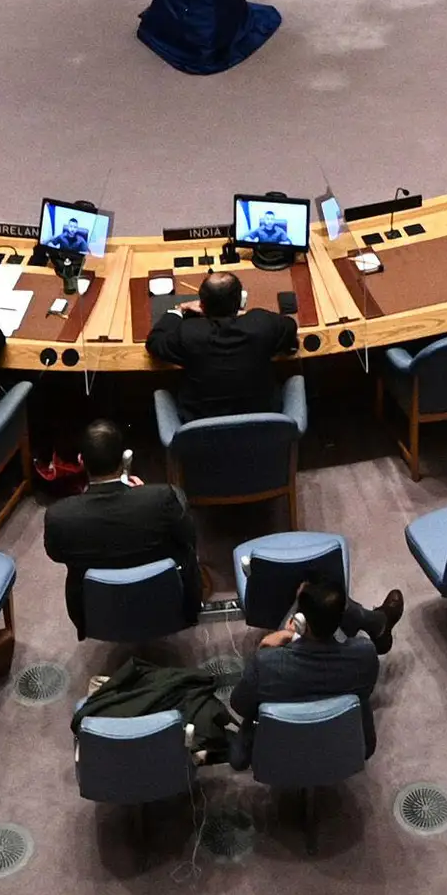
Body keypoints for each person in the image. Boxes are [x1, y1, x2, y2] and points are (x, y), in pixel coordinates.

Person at [40, 418, 202, 627]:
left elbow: (57, 554)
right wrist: (144, 495)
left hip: (97, 616)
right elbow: (189, 539)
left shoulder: (58, 516)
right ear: (125, 459)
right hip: (166, 605)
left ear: (81, 461)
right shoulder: (163, 498)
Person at [232, 577, 387, 759]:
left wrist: (270, 643)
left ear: (301, 622)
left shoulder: (266, 663)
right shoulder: (365, 654)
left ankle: (376, 621)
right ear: (341, 621)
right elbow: (366, 691)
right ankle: (378, 622)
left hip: (282, 753)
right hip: (345, 748)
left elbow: (239, 704)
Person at [148, 270, 300, 423]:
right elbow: (290, 326)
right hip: (265, 422)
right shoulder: (262, 323)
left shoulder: (189, 332)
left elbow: (154, 342)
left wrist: (179, 309)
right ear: (240, 300)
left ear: (202, 305)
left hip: (202, 427)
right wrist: (243, 315)